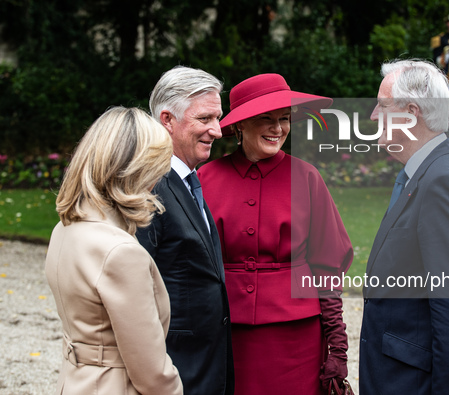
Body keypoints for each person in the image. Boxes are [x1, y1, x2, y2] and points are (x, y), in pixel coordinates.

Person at [197, 73, 354, 395]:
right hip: (225, 331)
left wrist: (337, 348)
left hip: (297, 339)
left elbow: (327, 270)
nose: (278, 128)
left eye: (284, 119)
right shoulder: (206, 178)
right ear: (240, 125)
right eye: (266, 119)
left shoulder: (307, 177)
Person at [359, 60, 449, 395]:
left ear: (411, 113)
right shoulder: (424, 173)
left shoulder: (442, 180)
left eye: (382, 106)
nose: (373, 115)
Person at [45, 106, 183, 395]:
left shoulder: (66, 229)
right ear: (135, 171)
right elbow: (152, 373)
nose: (156, 182)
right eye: (155, 169)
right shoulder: (119, 252)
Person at [136, 66, 234, 395]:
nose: (217, 131)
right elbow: (135, 291)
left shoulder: (189, 180)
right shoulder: (148, 186)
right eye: (205, 119)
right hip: (177, 369)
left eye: (217, 118)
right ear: (167, 119)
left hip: (205, 364)